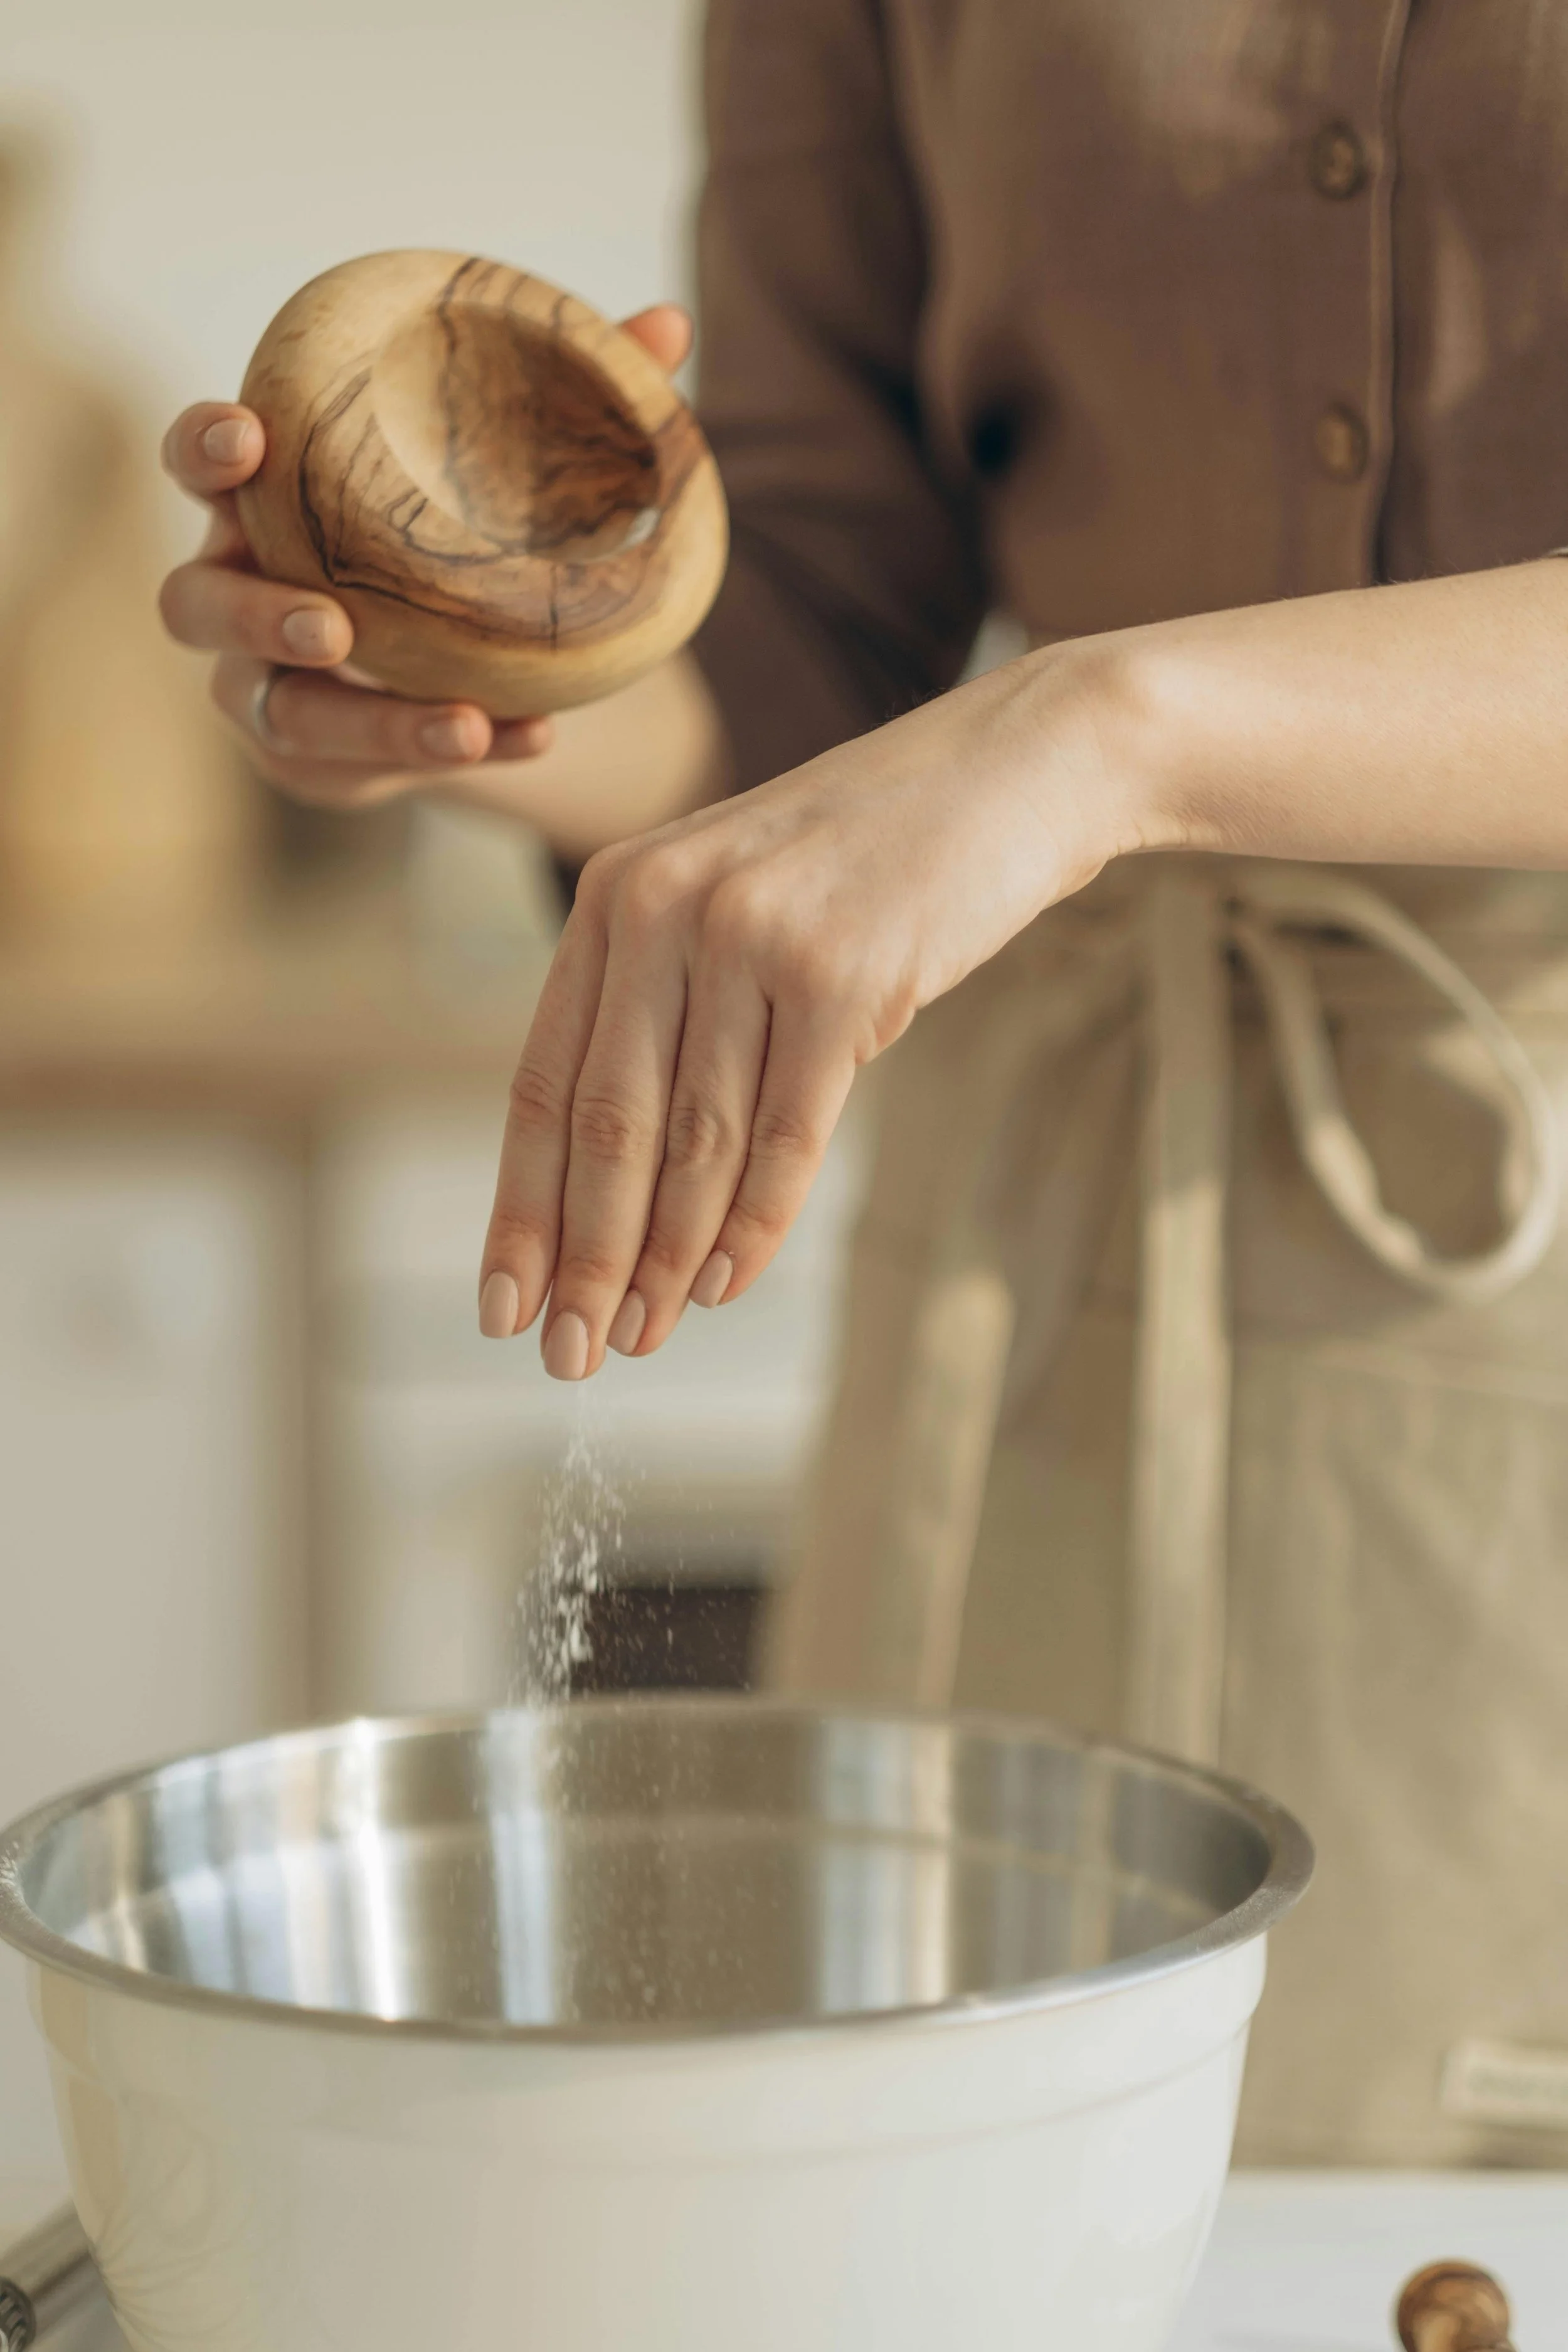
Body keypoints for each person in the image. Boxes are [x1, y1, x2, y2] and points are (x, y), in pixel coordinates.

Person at [160, 0, 1568, 2168]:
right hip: (1062, 1245)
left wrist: (1107, 732)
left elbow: (1049, 736)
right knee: (996, 2171)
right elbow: (823, 625)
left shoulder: (1090, 742)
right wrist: (502, 687)